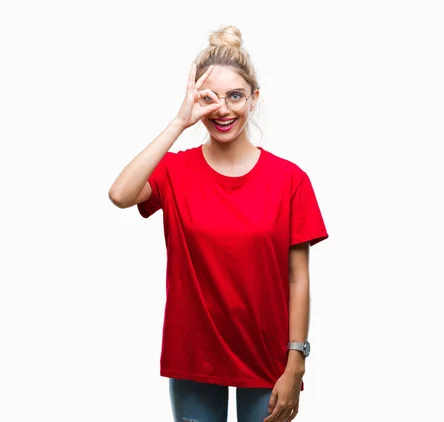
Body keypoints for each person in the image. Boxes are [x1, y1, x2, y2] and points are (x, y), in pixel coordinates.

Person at [108, 25, 328, 422]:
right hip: (195, 356)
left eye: (235, 96)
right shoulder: (174, 171)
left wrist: (296, 359)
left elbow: (299, 278)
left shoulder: (290, 180)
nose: (223, 110)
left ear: (254, 98)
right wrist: (179, 121)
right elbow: (121, 194)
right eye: (209, 99)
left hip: (268, 358)